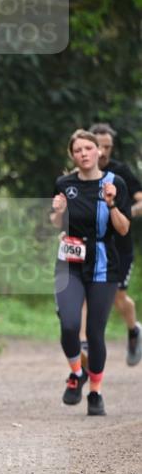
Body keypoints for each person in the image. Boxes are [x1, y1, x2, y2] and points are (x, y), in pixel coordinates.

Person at [51, 129, 131, 416]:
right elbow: (55, 224)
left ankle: (95, 392)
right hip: (70, 262)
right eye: (78, 150)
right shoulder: (64, 183)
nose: (83, 154)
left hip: (103, 263)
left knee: (95, 333)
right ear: (73, 155)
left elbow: (123, 229)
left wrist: (111, 204)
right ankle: (76, 373)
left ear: (99, 151)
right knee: (70, 324)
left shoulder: (114, 183)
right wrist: (58, 211)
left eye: (88, 148)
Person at [89, 122, 142, 366]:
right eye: (100, 146)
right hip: (91, 246)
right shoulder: (81, 172)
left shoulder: (121, 172)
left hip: (119, 246)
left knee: (119, 298)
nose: (104, 151)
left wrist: (118, 214)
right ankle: (85, 348)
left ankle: (134, 331)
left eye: (108, 146)